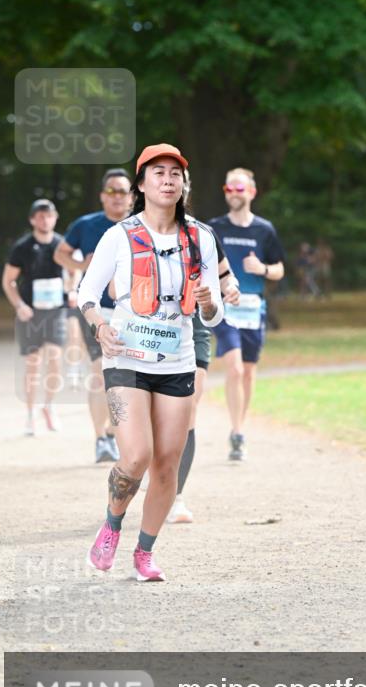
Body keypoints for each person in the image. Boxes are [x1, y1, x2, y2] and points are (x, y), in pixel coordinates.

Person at [78, 144, 223, 581]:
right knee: (137, 455)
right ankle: (112, 523)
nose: (168, 179)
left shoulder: (201, 238)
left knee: (167, 463)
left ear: (184, 184)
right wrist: (98, 325)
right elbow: (86, 293)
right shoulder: (120, 236)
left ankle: (145, 552)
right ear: (141, 185)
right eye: (157, 172)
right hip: (126, 357)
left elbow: (214, 315)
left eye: (175, 173)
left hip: (176, 361)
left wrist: (208, 301)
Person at [54, 169, 132, 462]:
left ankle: (115, 434)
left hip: (132, 312)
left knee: (125, 378)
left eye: (122, 191)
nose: (117, 197)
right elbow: (60, 254)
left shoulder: (140, 224)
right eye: (111, 191)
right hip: (94, 310)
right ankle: (101, 439)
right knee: (101, 372)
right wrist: (79, 262)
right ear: (102, 195)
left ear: (131, 195)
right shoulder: (85, 225)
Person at [166, 224, 241, 525]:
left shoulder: (201, 235)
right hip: (147, 334)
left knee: (187, 409)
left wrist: (231, 287)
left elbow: (225, 275)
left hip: (192, 331)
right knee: (151, 418)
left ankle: (176, 497)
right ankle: (153, 473)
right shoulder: (134, 232)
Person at [209, 168, 285, 461]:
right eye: (228, 189)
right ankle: (238, 431)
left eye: (238, 188)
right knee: (235, 369)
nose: (233, 193)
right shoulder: (215, 228)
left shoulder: (264, 230)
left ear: (251, 192)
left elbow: (280, 269)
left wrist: (263, 269)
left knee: (249, 372)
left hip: (254, 308)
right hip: (226, 308)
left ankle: (239, 426)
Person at [2, 199, 68, 435]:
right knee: (32, 363)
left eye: (48, 215)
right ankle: (30, 415)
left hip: (56, 311)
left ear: (55, 217)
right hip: (30, 313)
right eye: (39, 216)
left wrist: (74, 291)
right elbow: (8, 281)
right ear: (32, 219)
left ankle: (48, 406)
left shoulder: (63, 245)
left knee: (55, 360)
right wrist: (19, 305)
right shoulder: (22, 247)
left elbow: (76, 271)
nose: (44, 220)